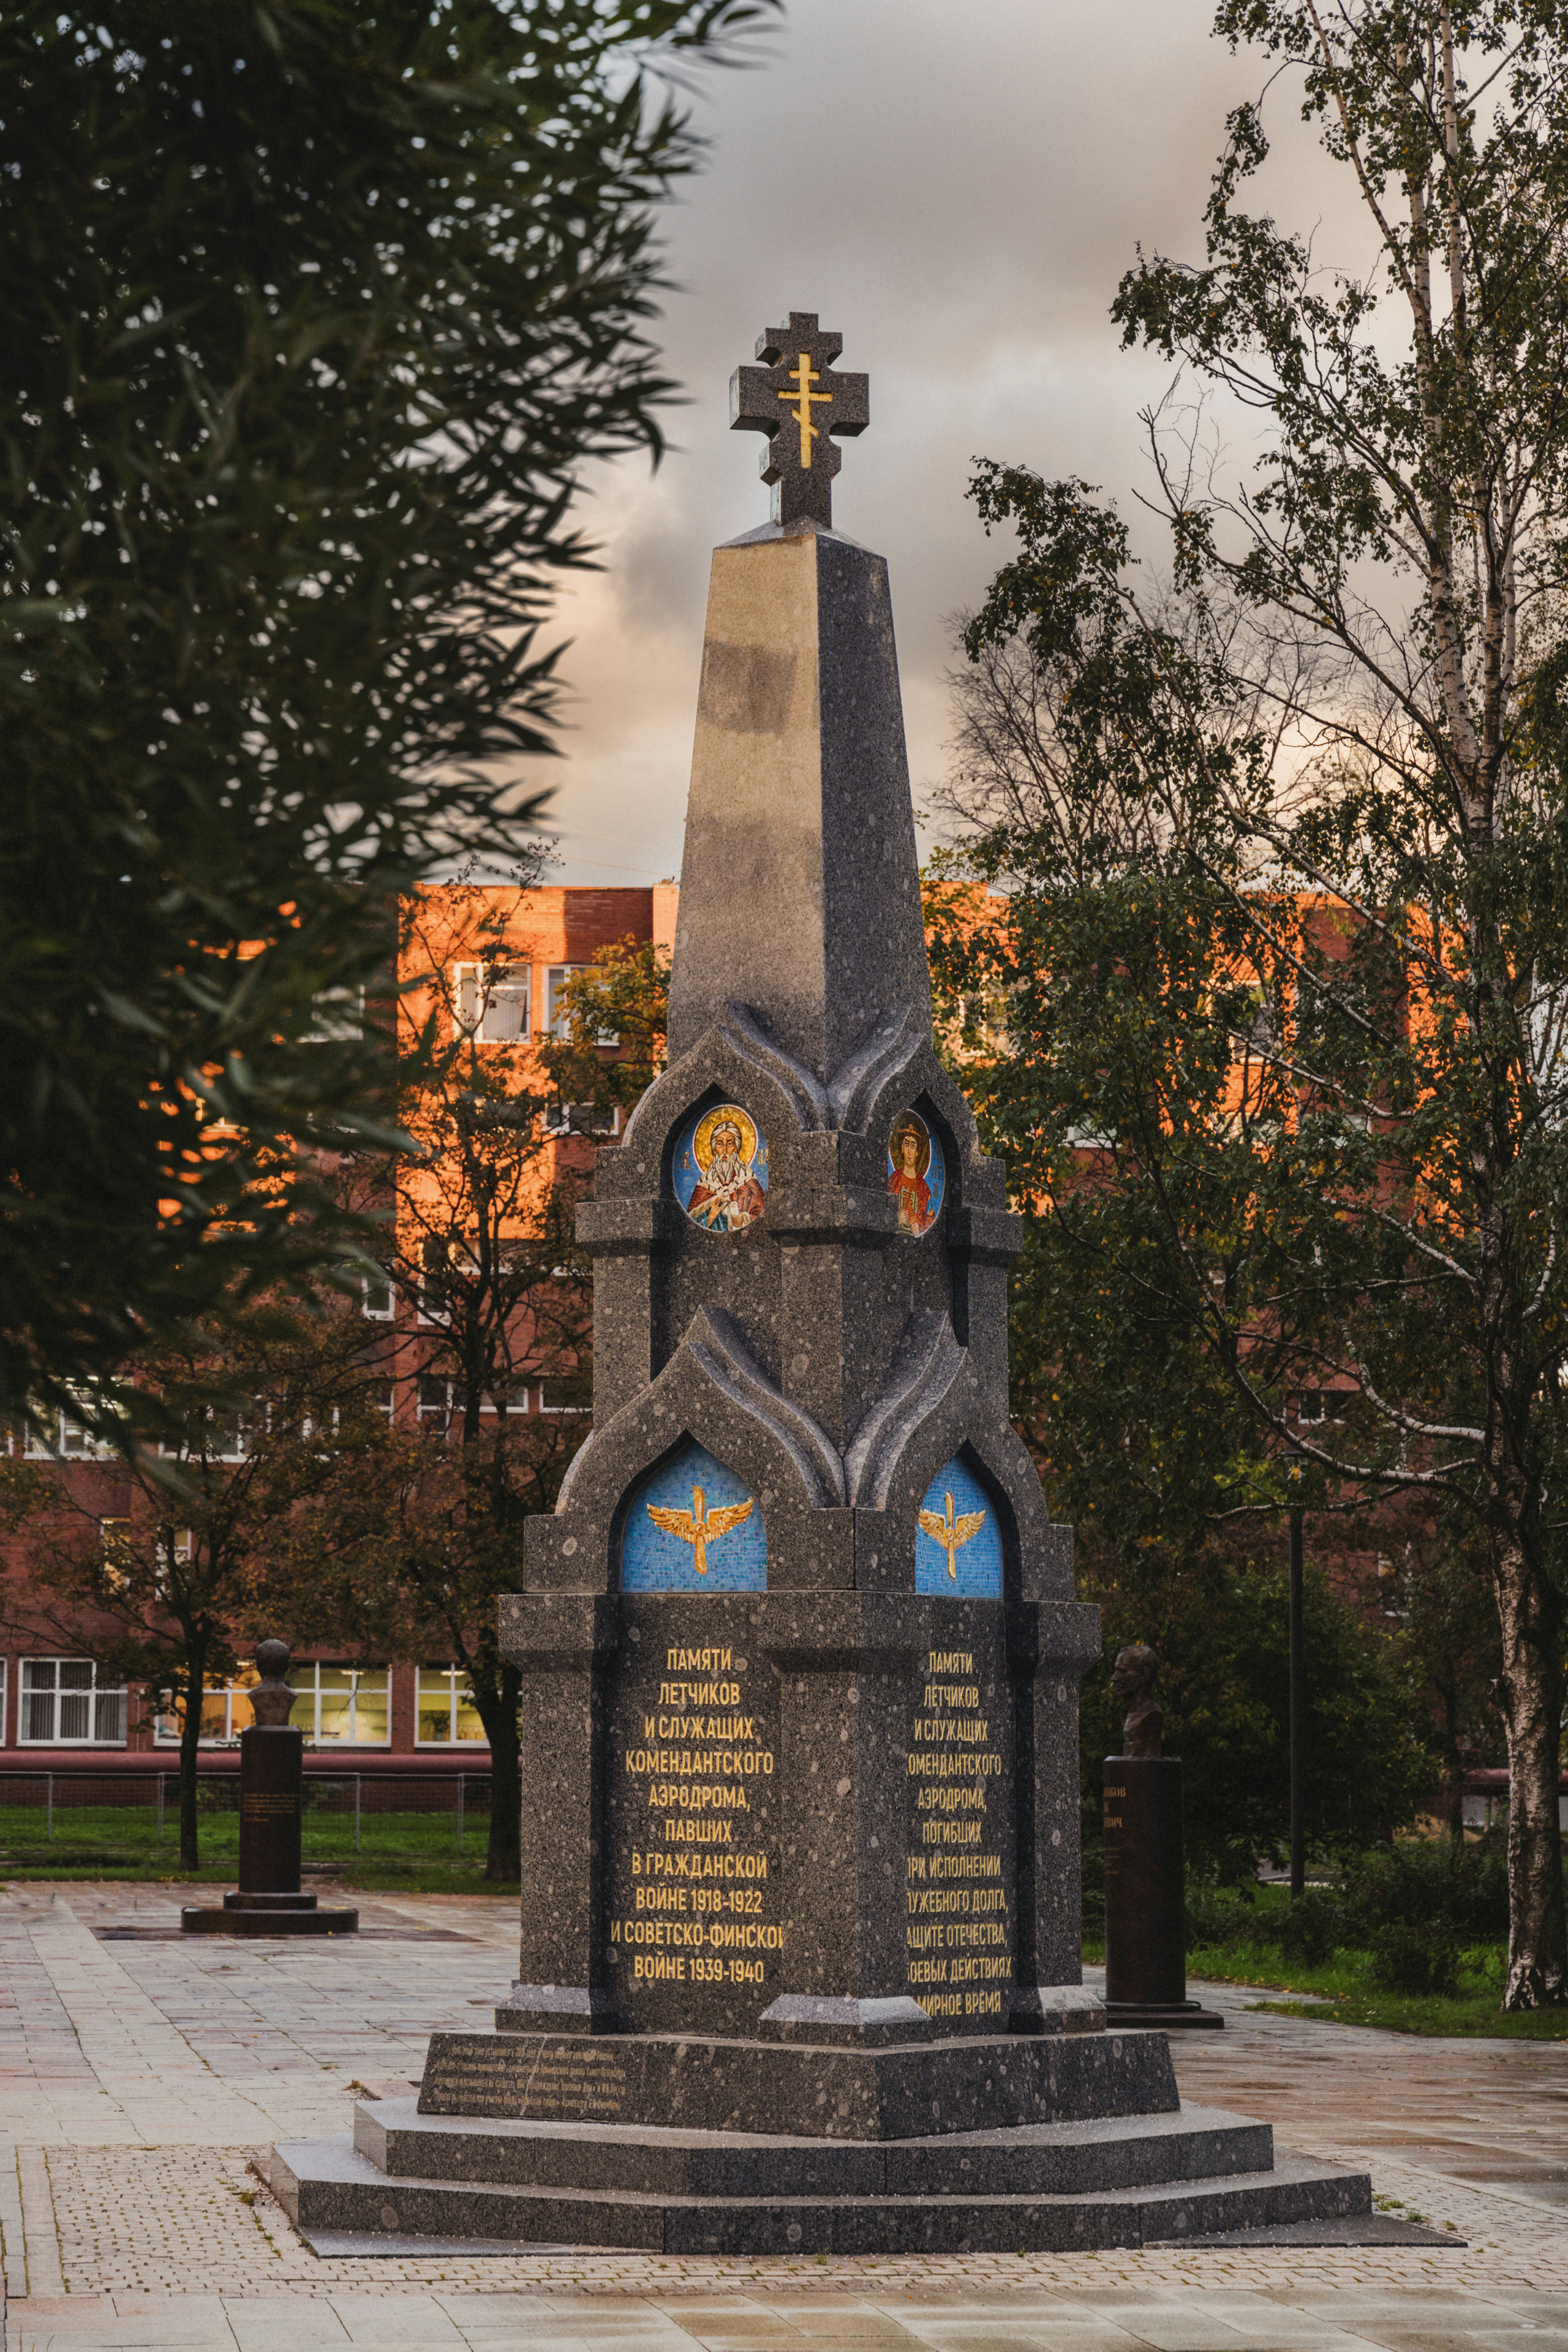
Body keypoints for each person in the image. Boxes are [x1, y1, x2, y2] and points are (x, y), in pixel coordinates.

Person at [687, 1119, 766, 1232]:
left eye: (729, 1144)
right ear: (714, 1150)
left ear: (736, 1148)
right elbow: (690, 1222)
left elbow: (762, 1213)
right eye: (720, 1144)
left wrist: (744, 1219)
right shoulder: (705, 1183)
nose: (725, 1150)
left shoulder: (748, 1180)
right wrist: (710, 1218)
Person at [1110, 1642, 1163, 1758]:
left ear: (1143, 1675)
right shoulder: (1133, 1715)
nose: (1114, 1678)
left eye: (1122, 1671)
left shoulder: (1151, 1715)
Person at [888, 1120, 933, 1236]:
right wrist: (896, 1220)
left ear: (918, 1152)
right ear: (901, 1149)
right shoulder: (894, 1180)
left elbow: (929, 1221)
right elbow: (881, 1212)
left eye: (913, 1146)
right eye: (906, 1144)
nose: (909, 1151)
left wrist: (919, 1227)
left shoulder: (924, 1188)